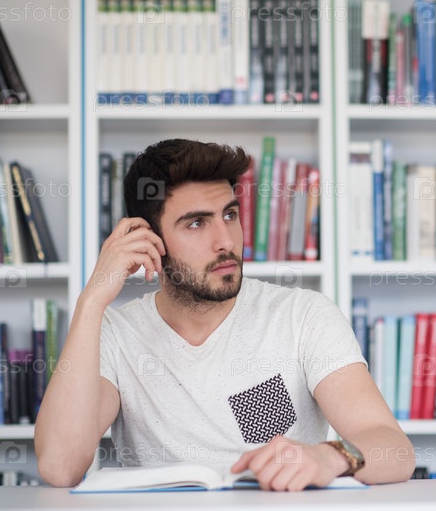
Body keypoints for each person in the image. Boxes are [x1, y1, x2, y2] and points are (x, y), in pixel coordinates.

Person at [34, 139, 415, 490]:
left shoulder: (303, 316)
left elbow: (395, 450)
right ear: (149, 241)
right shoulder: (115, 334)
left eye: (230, 215)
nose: (226, 241)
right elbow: (60, 466)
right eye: (196, 223)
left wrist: (331, 457)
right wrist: (91, 301)